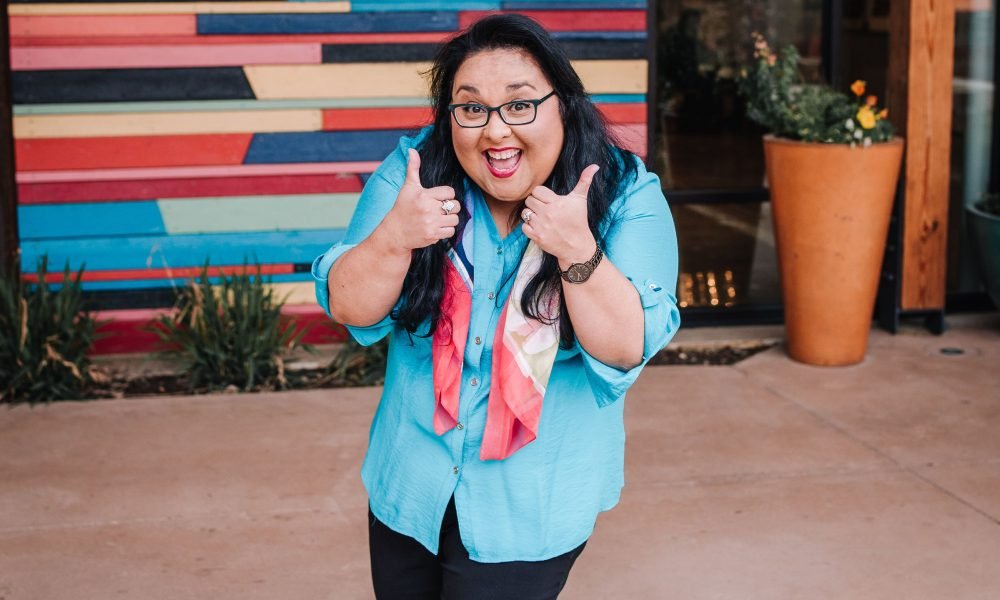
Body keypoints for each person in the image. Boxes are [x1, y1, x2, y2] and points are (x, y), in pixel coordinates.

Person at [312, 14, 680, 600]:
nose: (495, 130)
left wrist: (577, 251)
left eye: (520, 104)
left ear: (564, 105)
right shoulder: (415, 176)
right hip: (411, 483)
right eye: (472, 108)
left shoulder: (624, 193)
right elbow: (350, 306)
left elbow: (624, 347)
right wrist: (395, 237)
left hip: (530, 506)